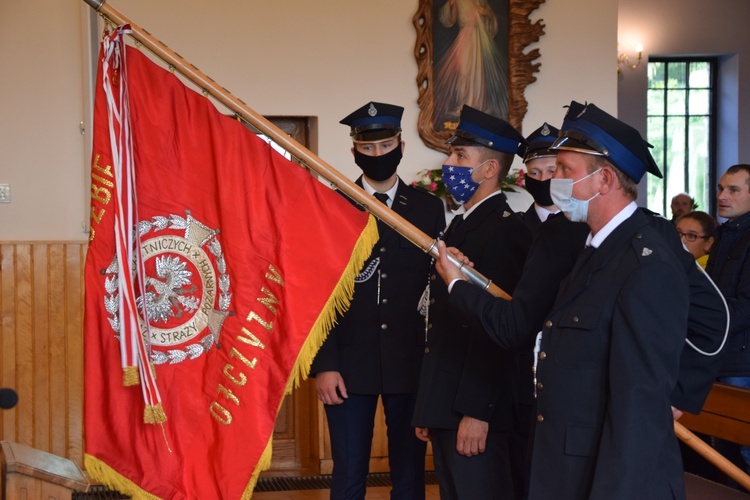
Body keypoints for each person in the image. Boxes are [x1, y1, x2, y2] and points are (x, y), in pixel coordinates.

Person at [437, 101, 693, 499]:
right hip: (564, 464)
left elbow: (636, 412)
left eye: (564, 171)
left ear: (604, 180)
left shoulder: (646, 265)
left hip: (606, 478)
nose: (552, 179)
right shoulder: (592, 249)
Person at [310, 101, 446, 500]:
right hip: (349, 365)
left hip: (410, 363)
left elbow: (434, 290)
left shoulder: (426, 208)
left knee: (409, 477)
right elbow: (320, 291)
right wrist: (326, 365)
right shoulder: (334, 203)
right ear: (353, 150)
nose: (377, 155)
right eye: (367, 148)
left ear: (401, 146)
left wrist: (433, 365)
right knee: (348, 476)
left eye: (385, 146)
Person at [412, 105, 532, 500]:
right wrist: (431, 405)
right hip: (448, 403)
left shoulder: (505, 231)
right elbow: (444, 325)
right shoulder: (461, 223)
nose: (449, 164)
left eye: (460, 157)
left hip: (475, 410)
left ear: (489, 170)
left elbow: (497, 331)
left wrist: (478, 411)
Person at [706, 163, 750, 480]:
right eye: (721, 188)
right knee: (721, 446)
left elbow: (746, 305)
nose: (722, 196)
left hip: (742, 358)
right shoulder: (726, 233)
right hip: (720, 353)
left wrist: (706, 325)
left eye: (733, 190)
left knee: (745, 446)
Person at [433, 0, 508, 127]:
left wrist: (484, 12)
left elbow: (491, 18)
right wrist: (451, 5)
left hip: (479, 37)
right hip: (464, 36)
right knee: (463, 70)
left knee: (478, 72)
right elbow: (446, 18)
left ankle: (477, 106)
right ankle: (464, 104)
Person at [519, 122, 562, 232]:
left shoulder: (586, 226)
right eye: (534, 173)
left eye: (551, 171)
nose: (543, 179)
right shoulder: (513, 228)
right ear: (526, 176)